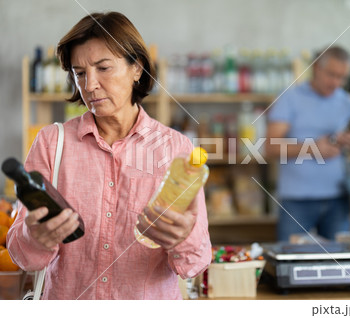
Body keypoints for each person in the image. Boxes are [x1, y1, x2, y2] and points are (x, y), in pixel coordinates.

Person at [7, 12, 211, 300]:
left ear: (137, 68)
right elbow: (23, 257)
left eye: (103, 68)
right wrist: (34, 238)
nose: (89, 85)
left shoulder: (176, 149)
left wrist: (184, 240)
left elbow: (196, 264)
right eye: (79, 73)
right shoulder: (52, 142)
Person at [266, 46, 350, 242]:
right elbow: (270, 147)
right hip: (296, 201)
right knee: (291, 264)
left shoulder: (349, 104)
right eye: (331, 75)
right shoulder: (290, 99)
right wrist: (313, 148)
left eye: (342, 77)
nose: (336, 83)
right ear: (316, 68)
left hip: (338, 200)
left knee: (337, 264)